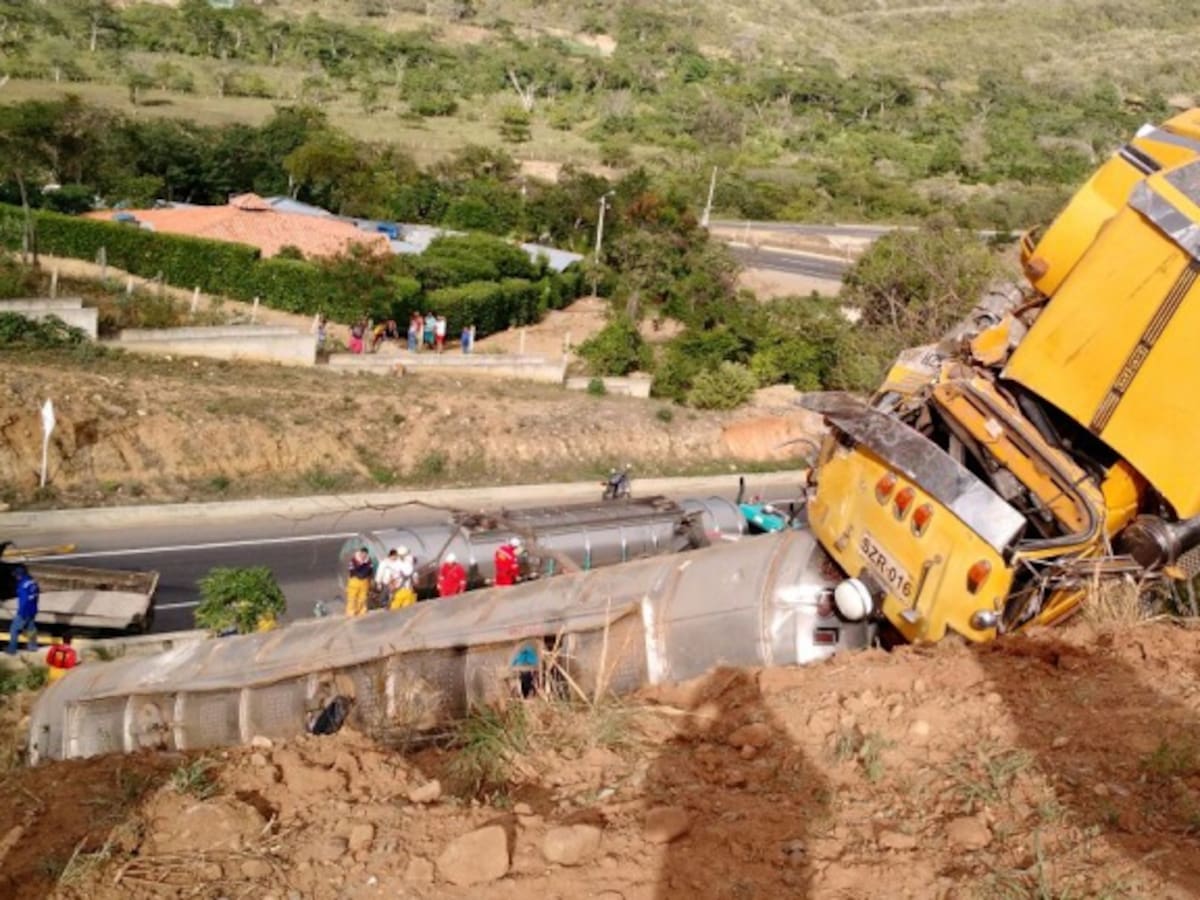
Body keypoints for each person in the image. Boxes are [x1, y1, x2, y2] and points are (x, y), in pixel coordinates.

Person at [7, 565, 39, 654]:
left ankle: (12, 649)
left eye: (16, 576)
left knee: (14, 629)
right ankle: (33, 646)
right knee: (31, 628)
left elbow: (24, 601)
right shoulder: (33, 582)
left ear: (19, 575)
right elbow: (36, 597)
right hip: (33, 610)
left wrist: (21, 613)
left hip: (24, 611)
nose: (15, 578)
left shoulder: (22, 586)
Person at [377, 546, 417, 610]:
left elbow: (413, 574)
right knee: (399, 607)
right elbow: (391, 576)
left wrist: (415, 579)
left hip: (404, 589)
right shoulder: (397, 564)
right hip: (400, 589)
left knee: (402, 608)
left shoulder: (405, 563)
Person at [345, 547, 374, 617]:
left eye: (365, 554)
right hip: (355, 580)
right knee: (352, 597)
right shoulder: (354, 560)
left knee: (363, 597)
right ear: (360, 553)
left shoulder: (368, 561)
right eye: (362, 553)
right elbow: (351, 570)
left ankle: (361, 610)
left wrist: (370, 579)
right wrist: (358, 574)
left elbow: (370, 570)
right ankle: (351, 611)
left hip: (364, 581)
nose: (364, 555)